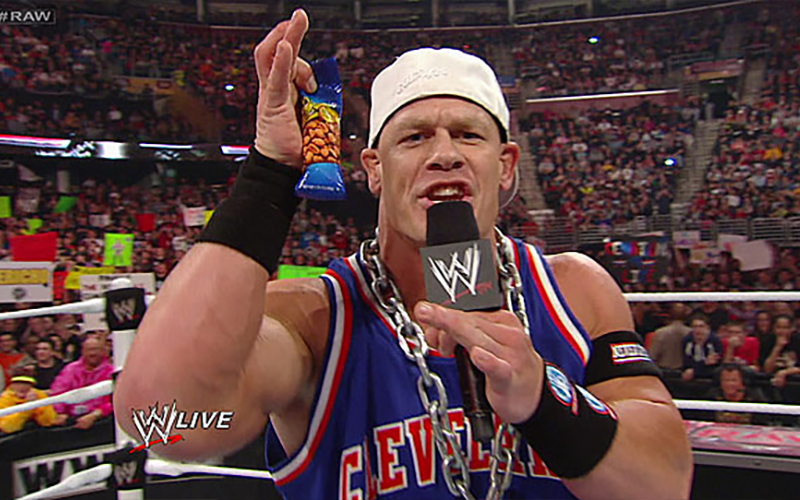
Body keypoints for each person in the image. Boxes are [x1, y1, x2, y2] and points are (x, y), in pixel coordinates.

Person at [116, 10, 691, 500]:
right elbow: (160, 423)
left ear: (506, 165)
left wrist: (544, 399)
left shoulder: (574, 289)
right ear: (373, 169)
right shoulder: (313, 317)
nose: (445, 154)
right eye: (414, 137)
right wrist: (268, 176)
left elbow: (664, 482)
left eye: (468, 135)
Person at [50, 335, 113, 430]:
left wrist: (94, 415)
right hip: (71, 417)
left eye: (96, 349)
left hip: (100, 418)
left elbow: (113, 401)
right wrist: (60, 412)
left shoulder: (111, 371)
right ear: (82, 351)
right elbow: (59, 391)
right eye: (89, 350)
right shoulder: (70, 369)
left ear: (104, 351)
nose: (92, 353)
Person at [0, 367, 61, 434]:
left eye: (26, 383)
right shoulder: (4, 399)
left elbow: (49, 422)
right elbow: (8, 427)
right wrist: (27, 407)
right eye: (18, 383)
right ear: (12, 385)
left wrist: (37, 404)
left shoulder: (39, 395)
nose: (22, 387)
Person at [681, 314, 723, 382]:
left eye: (701, 326)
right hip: (691, 370)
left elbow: (714, 362)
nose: (698, 330)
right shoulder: (687, 340)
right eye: (695, 327)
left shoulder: (715, 340)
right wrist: (703, 363)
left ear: (707, 327)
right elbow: (687, 362)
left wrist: (696, 369)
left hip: (710, 372)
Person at [649, 303, 690, 370]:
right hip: (683, 371)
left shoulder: (660, 333)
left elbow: (653, 355)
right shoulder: (691, 333)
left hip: (664, 369)